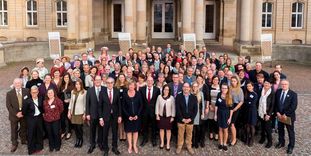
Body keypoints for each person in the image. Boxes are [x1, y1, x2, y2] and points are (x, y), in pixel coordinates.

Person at [99, 77, 122, 156]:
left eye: (111, 82)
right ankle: (106, 149)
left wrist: (119, 116)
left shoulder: (117, 91)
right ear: (106, 83)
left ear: (113, 83)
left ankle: (114, 147)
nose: (109, 84)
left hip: (115, 116)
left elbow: (119, 104)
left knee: (115, 133)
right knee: (105, 133)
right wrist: (101, 118)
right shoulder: (102, 92)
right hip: (105, 116)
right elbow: (100, 106)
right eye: (108, 82)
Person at [6, 78, 30, 152]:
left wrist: (23, 112)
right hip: (14, 115)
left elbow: (29, 102)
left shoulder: (26, 91)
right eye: (16, 83)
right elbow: (8, 106)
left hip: (24, 114)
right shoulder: (9, 93)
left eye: (19, 83)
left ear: (21, 84)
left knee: (23, 127)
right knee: (14, 129)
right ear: (13, 84)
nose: (17, 85)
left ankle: (23, 139)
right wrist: (16, 113)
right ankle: (14, 143)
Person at [275, 80, 297, 154]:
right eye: (282, 84)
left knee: (290, 131)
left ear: (288, 85)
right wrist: (277, 112)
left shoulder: (293, 94)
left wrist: (285, 114)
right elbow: (275, 103)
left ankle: (291, 146)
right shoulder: (278, 92)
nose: (284, 85)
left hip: (288, 117)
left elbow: (293, 106)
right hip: (279, 115)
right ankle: (281, 142)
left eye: (285, 84)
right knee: (280, 130)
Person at [176, 83, 198, 155]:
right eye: (184, 87)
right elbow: (177, 109)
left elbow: (195, 110)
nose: (186, 88)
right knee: (180, 134)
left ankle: (189, 146)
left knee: (189, 134)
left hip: (190, 120)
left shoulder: (194, 97)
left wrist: (191, 119)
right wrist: (182, 119)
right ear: (182, 88)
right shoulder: (178, 96)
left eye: (187, 87)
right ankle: (180, 146)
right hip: (181, 120)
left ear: (189, 88)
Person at [22, 86, 44, 154]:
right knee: (31, 134)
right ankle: (31, 149)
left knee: (39, 132)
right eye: (33, 92)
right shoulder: (27, 101)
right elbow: (24, 112)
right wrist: (29, 117)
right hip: (31, 119)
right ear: (30, 93)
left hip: (39, 118)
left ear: (38, 92)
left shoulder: (41, 98)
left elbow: (42, 108)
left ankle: (39, 147)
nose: (34, 94)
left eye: (35, 92)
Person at [122, 81, 143, 154]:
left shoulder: (138, 93)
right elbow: (123, 106)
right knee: (129, 131)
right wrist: (128, 116)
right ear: (128, 86)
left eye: (132, 85)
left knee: (135, 131)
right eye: (130, 85)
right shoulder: (125, 94)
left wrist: (137, 115)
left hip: (137, 116)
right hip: (128, 117)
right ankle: (130, 146)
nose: (131, 87)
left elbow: (141, 105)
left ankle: (134, 145)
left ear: (134, 86)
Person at [140, 76, 161, 147]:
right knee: (144, 126)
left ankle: (153, 139)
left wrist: (157, 112)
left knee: (154, 126)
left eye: (151, 80)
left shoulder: (157, 90)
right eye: (148, 80)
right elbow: (141, 101)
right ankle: (144, 139)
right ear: (146, 81)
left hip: (153, 112)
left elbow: (158, 102)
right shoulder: (141, 89)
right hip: (144, 112)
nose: (149, 82)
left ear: (153, 82)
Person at [86, 75, 104, 153]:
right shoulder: (90, 90)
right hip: (92, 114)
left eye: (99, 80)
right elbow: (87, 103)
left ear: (101, 81)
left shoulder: (104, 89)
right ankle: (92, 144)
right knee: (92, 130)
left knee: (101, 129)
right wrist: (87, 114)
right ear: (94, 81)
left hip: (102, 114)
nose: (98, 81)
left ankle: (100, 143)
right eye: (96, 80)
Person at [155, 84, 175, 151]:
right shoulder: (159, 97)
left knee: (168, 130)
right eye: (165, 89)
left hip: (169, 116)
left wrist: (173, 116)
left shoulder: (171, 98)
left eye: (167, 90)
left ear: (169, 91)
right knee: (161, 130)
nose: (166, 91)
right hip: (161, 116)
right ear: (163, 90)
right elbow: (157, 106)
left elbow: (173, 108)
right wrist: (157, 115)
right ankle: (162, 142)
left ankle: (168, 143)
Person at [68, 79, 86, 148]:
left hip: (80, 113)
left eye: (79, 84)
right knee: (75, 127)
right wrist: (69, 111)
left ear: (81, 85)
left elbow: (85, 104)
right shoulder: (73, 91)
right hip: (73, 112)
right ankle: (77, 139)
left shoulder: (84, 92)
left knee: (79, 128)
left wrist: (84, 113)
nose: (77, 85)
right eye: (76, 84)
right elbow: (71, 102)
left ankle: (81, 140)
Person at [214, 83, 233, 151]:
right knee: (220, 129)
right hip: (219, 114)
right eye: (222, 88)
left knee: (225, 130)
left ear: (227, 89)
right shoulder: (219, 94)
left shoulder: (229, 96)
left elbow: (231, 109)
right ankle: (221, 143)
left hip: (226, 115)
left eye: (225, 88)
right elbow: (216, 105)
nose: (224, 89)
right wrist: (215, 115)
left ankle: (225, 144)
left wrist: (230, 118)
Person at [258, 80, 275, 148]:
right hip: (261, 111)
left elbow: (273, 105)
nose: (266, 84)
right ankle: (262, 138)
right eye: (265, 83)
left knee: (267, 128)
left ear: (271, 84)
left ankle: (270, 141)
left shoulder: (272, 93)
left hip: (267, 113)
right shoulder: (261, 90)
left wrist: (269, 114)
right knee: (262, 127)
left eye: (268, 83)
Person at [229, 76, 244, 146]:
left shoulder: (240, 90)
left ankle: (234, 139)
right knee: (229, 123)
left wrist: (235, 109)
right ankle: (231, 137)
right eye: (232, 81)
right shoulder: (230, 88)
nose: (233, 82)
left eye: (234, 81)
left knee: (232, 124)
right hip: (229, 106)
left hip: (236, 107)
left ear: (237, 81)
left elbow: (241, 101)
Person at [191, 82, 207, 148]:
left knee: (197, 128)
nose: (195, 87)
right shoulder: (190, 93)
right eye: (193, 86)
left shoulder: (201, 93)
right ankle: (192, 142)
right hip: (191, 113)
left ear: (198, 87)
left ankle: (196, 141)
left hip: (198, 113)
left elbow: (203, 104)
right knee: (192, 129)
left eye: (196, 86)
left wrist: (203, 113)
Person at [59, 73, 74, 140]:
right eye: (65, 77)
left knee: (69, 118)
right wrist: (63, 91)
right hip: (63, 104)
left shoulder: (72, 85)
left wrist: (69, 100)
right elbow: (59, 95)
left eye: (67, 77)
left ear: (69, 78)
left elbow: (74, 95)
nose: (66, 79)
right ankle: (63, 131)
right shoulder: (61, 85)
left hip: (69, 104)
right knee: (62, 118)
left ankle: (69, 132)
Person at [115, 73, 128, 142]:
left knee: (125, 120)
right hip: (118, 105)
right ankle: (120, 134)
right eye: (120, 77)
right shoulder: (116, 86)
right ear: (118, 78)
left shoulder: (127, 86)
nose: (121, 78)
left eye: (123, 77)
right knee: (120, 121)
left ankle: (125, 134)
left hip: (125, 105)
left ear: (124, 78)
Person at [244, 82, 258, 147]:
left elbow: (252, 103)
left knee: (252, 125)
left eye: (250, 86)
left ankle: (252, 139)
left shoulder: (255, 94)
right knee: (247, 125)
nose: (248, 87)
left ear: (252, 87)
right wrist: (248, 102)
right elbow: (246, 102)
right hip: (246, 111)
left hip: (252, 111)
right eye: (247, 86)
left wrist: (247, 102)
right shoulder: (246, 93)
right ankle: (247, 138)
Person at [207, 76, 220, 141]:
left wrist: (217, 107)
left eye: (217, 79)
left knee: (217, 120)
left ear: (218, 80)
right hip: (211, 105)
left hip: (218, 105)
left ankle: (217, 134)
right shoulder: (209, 87)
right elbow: (208, 97)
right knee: (211, 120)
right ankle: (211, 133)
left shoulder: (220, 87)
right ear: (212, 80)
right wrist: (209, 105)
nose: (215, 80)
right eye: (214, 79)